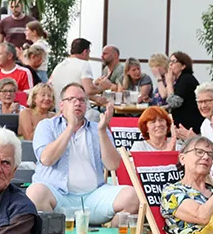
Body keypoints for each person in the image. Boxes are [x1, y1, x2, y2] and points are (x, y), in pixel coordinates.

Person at [26, 83, 138, 225]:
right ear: (61, 105)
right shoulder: (47, 126)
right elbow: (46, 159)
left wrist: (102, 131)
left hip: (93, 196)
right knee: (35, 193)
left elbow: (113, 165)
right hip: (59, 197)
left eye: (81, 100)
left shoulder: (97, 128)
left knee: (132, 197)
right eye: (72, 99)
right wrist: (70, 128)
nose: (77, 103)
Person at [159, 51, 200, 132]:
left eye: (174, 61)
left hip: (189, 128)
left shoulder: (186, 79)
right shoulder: (181, 79)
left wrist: (169, 83)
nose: (170, 64)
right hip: (183, 126)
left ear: (183, 66)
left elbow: (174, 103)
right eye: (169, 61)